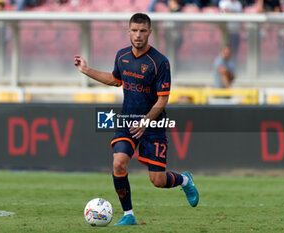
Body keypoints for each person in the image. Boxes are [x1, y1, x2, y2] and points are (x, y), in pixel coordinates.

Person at [74, 13, 199, 226]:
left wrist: (146, 122)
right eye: (134, 30)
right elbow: (114, 80)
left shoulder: (160, 62)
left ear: (150, 32)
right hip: (128, 121)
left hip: (153, 125)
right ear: (128, 31)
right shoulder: (122, 56)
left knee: (157, 181)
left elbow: (162, 100)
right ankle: (128, 215)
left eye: (142, 31)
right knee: (119, 164)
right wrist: (86, 70)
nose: (138, 35)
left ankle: (185, 180)